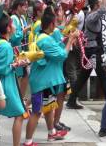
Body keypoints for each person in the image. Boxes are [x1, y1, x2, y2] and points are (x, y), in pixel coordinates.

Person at [24, 10, 77, 145]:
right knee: (36, 112)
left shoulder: (40, 35)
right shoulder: (46, 40)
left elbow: (57, 49)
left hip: (46, 80)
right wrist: (70, 40)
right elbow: (62, 55)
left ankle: (51, 133)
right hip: (43, 81)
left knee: (48, 107)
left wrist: (65, 39)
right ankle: (28, 141)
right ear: (52, 24)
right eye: (56, 22)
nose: (58, 25)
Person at [67, 0, 106, 109]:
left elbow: (102, 9)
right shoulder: (91, 17)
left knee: (83, 76)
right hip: (92, 51)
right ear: (96, 4)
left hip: (91, 50)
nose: (102, 3)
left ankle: (71, 100)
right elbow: (103, 10)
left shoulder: (92, 16)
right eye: (100, 2)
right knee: (103, 76)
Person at [0, 12, 26, 146]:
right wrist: (17, 64)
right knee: (19, 114)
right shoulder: (5, 45)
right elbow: (2, 68)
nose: (14, 27)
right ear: (8, 28)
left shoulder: (0, 41)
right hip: (6, 83)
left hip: (7, 82)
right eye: (12, 25)